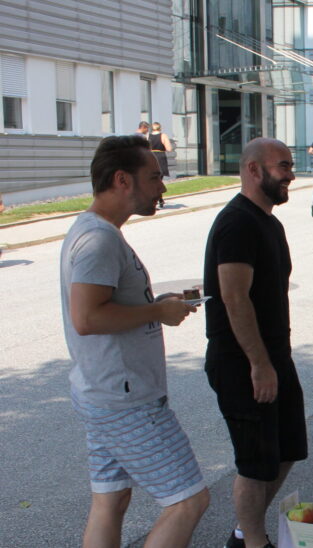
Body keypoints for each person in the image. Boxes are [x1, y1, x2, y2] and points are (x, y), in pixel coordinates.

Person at [59, 135, 209, 548]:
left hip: (103, 392)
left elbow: (105, 306)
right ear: (122, 180)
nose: (163, 186)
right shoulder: (99, 239)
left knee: (111, 499)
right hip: (125, 398)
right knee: (188, 501)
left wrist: (156, 304)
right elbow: (87, 317)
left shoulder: (96, 231)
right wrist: (156, 312)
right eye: (154, 177)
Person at [204, 138, 305, 548]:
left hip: (273, 356)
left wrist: (273, 360)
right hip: (242, 362)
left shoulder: (268, 223)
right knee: (255, 462)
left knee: (288, 448)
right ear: (253, 169)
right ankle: (254, 543)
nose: (290, 175)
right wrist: (259, 365)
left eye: (290, 166)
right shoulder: (237, 223)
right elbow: (234, 297)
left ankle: (244, 533)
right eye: (283, 166)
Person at [149, 122, 173, 208]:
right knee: (159, 180)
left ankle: (160, 199)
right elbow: (169, 148)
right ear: (160, 128)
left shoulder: (148, 136)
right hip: (160, 157)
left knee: (154, 180)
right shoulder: (163, 136)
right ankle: (158, 200)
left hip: (151, 157)